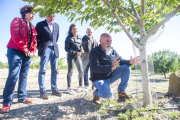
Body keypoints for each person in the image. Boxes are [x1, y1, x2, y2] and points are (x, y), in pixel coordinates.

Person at [1, 5, 37, 113]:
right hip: (15, 50)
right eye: (32, 13)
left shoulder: (33, 27)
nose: (33, 15)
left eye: (35, 13)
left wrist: (33, 51)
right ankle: (7, 102)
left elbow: (34, 42)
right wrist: (25, 49)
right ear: (25, 13)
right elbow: (15, 35)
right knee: (13, 74)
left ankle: (22, 96)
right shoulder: (17, 20)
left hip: (27, 53)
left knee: (24, 75)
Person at [89, 33, 140, 104]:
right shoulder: (94, 51)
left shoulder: (112, 50)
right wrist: (111, 67)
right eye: (107, 41)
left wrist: (130, 61)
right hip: (99, 79)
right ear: (100, 41)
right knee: (108, 94)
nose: (109, 43)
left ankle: (121, 93)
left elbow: (121, 61)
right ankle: (96, 94)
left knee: (126, 67)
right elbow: (95, 68)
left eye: (110, 41)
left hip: (110, 76)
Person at [36, 14, 62, 99]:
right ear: (46, 15)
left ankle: (54, 89)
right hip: (45, 49)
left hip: (54, 48)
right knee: (43, 70)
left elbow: (56, 38)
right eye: (50, 16)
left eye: (54, 16)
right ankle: (42, 91)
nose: (52, 17)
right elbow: (36, 38)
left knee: (55, 70)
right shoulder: (40, 24)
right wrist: (40, 48)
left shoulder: (57, 25)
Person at [65, 23, 84, 94]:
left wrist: (81, 49)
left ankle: (80, 87)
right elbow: (66, 49)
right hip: (71, 56)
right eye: (74, 29)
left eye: (76, 29)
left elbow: (81, 45)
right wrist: (75, 53)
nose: (75, 30)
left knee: (81, 70)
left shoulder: (80, 37)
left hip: (78, 56)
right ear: (71, 30)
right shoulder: (68, 38)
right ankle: (69, 88)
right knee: (70, 71)